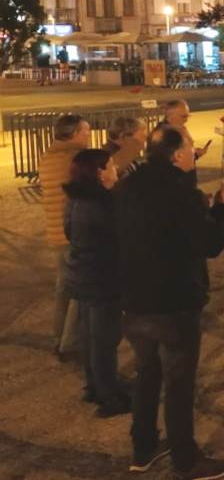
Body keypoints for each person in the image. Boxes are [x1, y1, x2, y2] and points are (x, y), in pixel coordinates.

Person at [115, 126, 224, 479]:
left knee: (146, 374)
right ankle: (185, 458)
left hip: (135, 301)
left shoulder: (128, 186)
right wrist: (222, 210)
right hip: (174, 303)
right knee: (179, 384)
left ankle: (143, 447)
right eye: (189, 146)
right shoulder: (181, 193)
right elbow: (209, 243)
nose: (193, 150)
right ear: (176, 155)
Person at [63, 149, 131, 417]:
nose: (116, 169)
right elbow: (121, 238)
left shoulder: (76, 199)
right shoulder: (104, 203)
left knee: (90, 335)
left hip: (82, 275)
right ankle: (109, 395)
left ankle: (95, 384)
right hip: (102, 278)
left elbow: (70, 232)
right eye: (112, 166)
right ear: (100, 173)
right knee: (105, 339)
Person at [40, 113, 91, 361]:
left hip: (55, 232)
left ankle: (57, 337)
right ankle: (69, 344)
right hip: (71, 233)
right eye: (85, 131)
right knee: (78, 291)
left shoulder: (50, 155)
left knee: (64, 289)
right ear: (73, 134)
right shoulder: (72, 158)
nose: (89, 136)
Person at [158, 100, 209, 187]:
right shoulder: (162, 135)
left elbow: (181, 155)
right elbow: (166, 162)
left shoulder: (180, 128)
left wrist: (195, 154)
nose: (186, 120)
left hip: (186, 181)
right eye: (183, 116)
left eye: (188, 116)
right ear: (170, 115)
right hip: (176, 185)